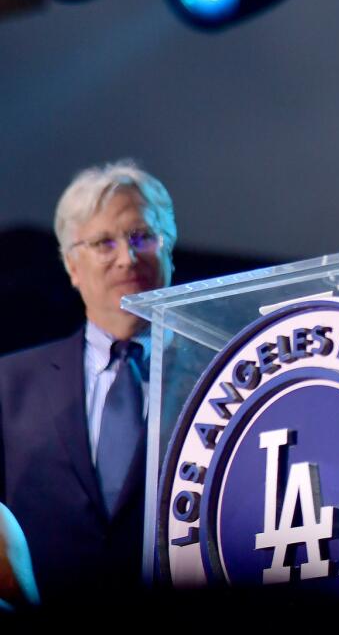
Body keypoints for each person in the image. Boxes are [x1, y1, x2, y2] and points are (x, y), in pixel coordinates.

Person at [0, 160, 176, 602]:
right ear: (72, 267)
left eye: (143, 237)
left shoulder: (220, 376)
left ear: (168, 248)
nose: (127, 258)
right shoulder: (9, 385)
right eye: (104, 243)